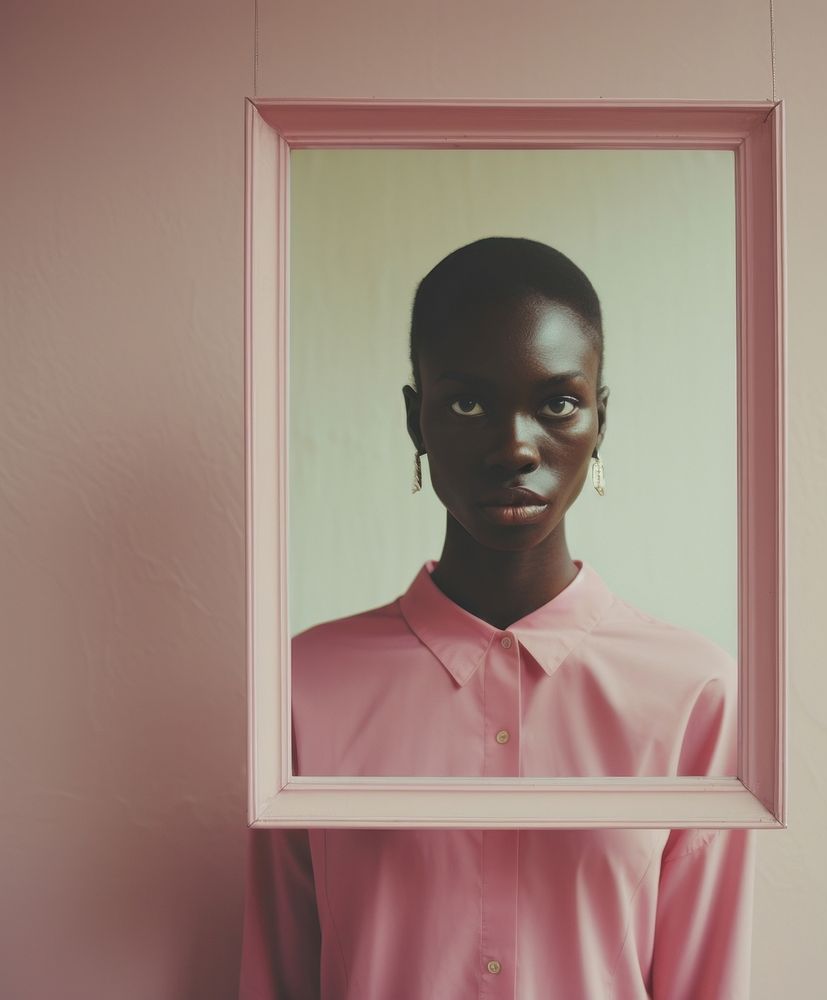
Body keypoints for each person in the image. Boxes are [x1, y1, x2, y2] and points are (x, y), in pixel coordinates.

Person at [239, 237, 754, 999]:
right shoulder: (300, 685)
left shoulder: (695, 692)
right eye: (468, 403)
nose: (514, 446)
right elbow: (276, 974)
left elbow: (707, 980)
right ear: (417, 420)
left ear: (600, 420)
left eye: (557, 403)